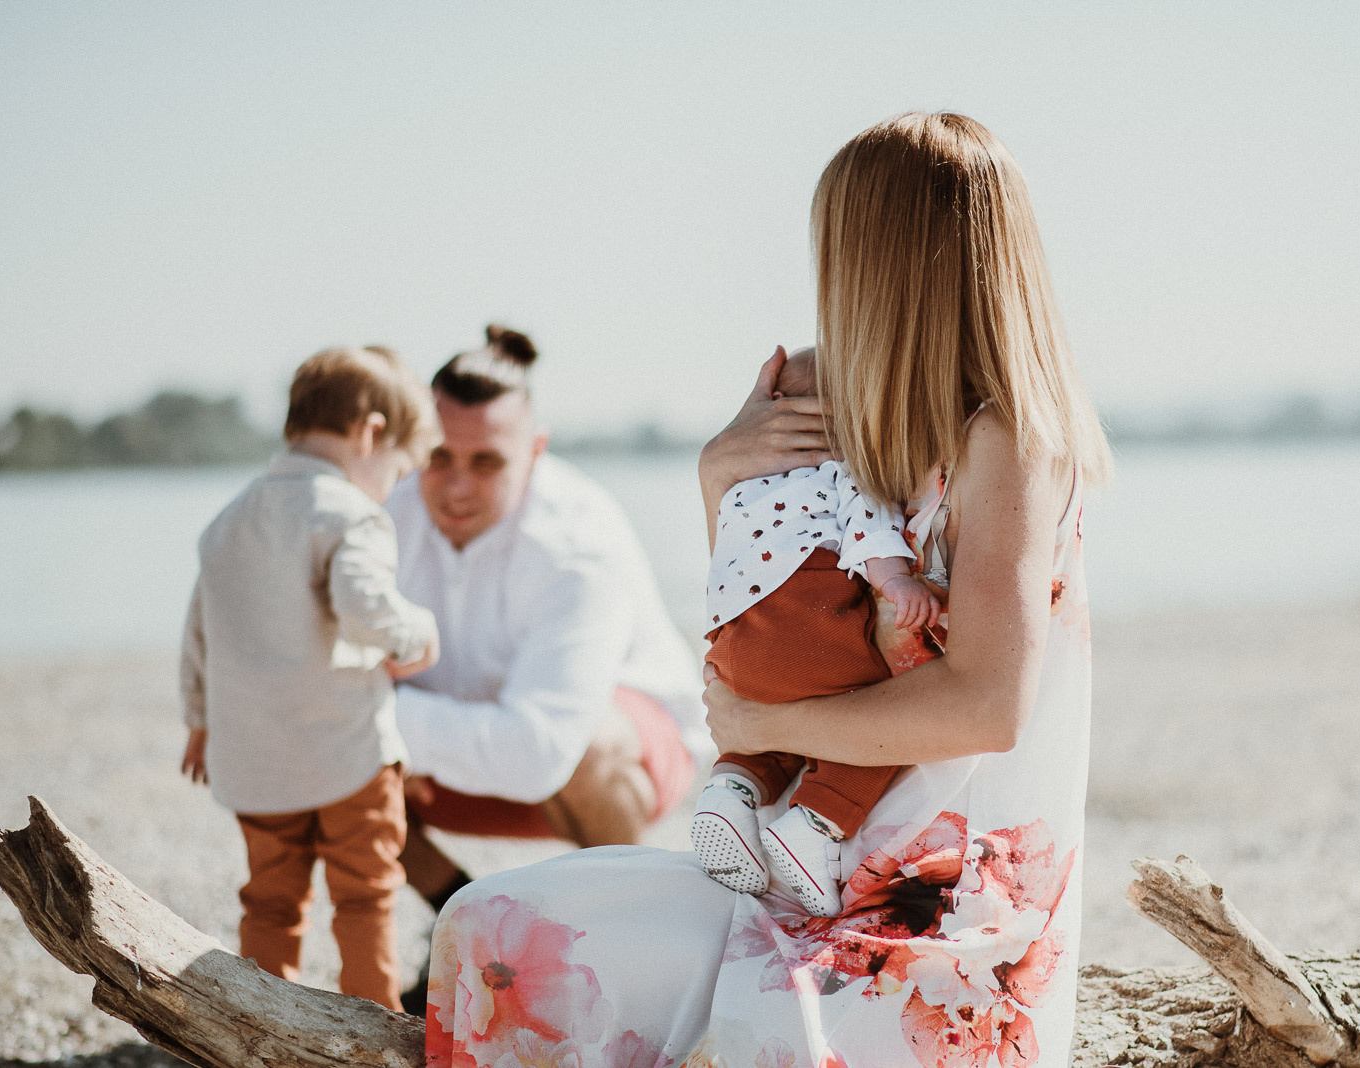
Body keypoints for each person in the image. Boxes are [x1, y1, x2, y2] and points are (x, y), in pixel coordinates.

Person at [423, 111, 1112, 1068]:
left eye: (839, 241)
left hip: (944, 898)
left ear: (889, 258)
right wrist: (720, 480)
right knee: (487, 923)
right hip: (799, 844)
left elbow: (987, 706)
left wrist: (753, 729)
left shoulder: (1012, 442)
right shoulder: (828, 391)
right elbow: (763, 626)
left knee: (743, 1034)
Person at [382, 326, 709, 1001]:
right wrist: (375, 737)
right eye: (439, 457)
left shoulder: (579, 536)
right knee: (314, 755)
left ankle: (634, 948)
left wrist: (385, 725)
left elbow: (541, 754)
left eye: (488, 462)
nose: (458, 486)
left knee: (582, 743)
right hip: (465, 763)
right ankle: (464, 915)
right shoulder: (382, 519)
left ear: (534, 450)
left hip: (615, 764)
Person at [179, 345, 441, 1011]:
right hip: (347, 752)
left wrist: (199, 720)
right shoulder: (351, 513)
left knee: (270, 901)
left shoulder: (227, 521)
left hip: (258, 759)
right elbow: (362, 603)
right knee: (365, 900)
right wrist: (416, 634)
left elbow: (198, 632)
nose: (394, 485)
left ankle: (263, 1028)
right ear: (370, 432)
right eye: (400, 469)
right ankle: (375, 1030)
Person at [693, 348, 942, 916]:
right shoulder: (844, 466)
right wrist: (900, 583)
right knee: (879, 719)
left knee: (778, 722)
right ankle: (814, 825)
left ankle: (728, 795)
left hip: (732, 640)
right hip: (804, 630)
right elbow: (868, 529)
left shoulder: (743, 483)